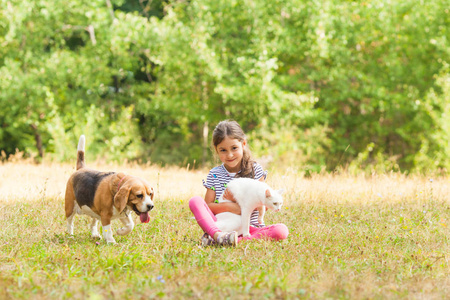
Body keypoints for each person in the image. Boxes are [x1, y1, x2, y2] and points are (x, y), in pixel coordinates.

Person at [188, 120, 289, 246]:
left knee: (281, 231)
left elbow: (264, 203)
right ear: (216, 150)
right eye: (223, 150)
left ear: (243, 144)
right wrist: (232, 208)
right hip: (222, 224)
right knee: (195, 201)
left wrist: (242, 207)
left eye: (234, 148)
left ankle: (222, 240)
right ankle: (217, 235)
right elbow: (208, 206)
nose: (229, 155)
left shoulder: (255, 170)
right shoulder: (214, 174)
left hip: (249, 228)